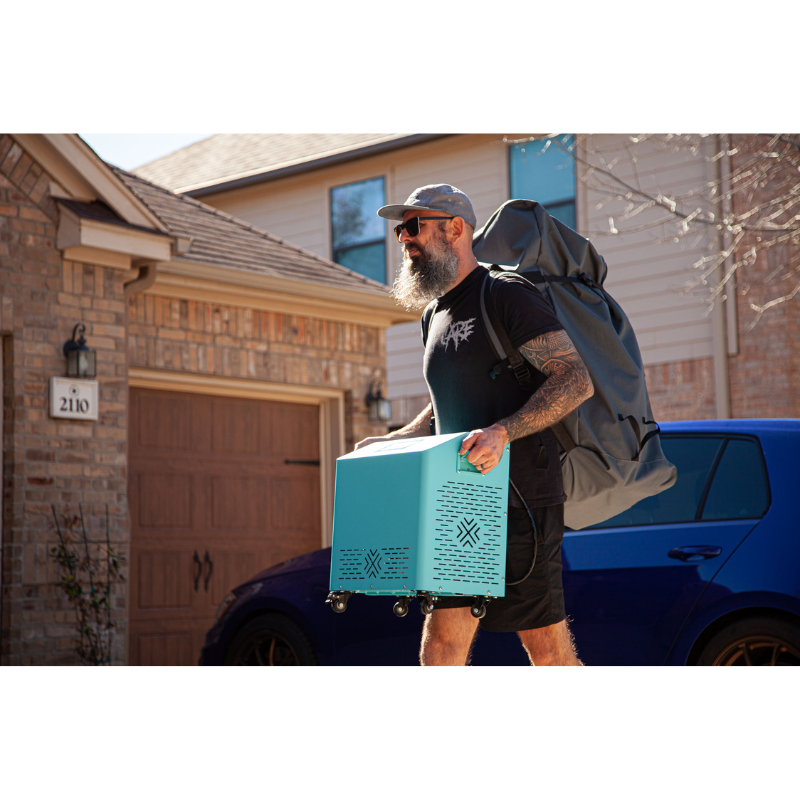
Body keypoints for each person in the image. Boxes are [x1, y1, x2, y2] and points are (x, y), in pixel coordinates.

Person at [356, 184, 594, 666]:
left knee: (545, 651)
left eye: (413, 226)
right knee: (441, 648)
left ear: (455, 228)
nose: (403, 239)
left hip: (520, 500)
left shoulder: (503, 295)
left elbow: (575, 378)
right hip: (459, 503)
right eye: (401, 230)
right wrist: (397, 441)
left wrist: (503, 431)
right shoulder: (432, 316)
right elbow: (446, 403)